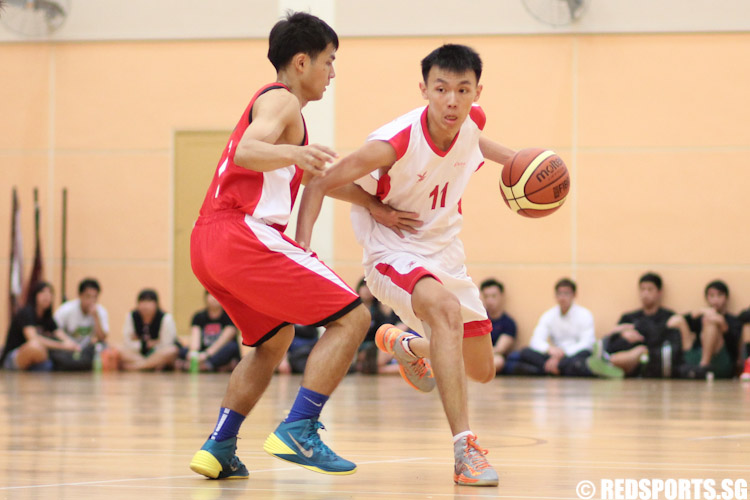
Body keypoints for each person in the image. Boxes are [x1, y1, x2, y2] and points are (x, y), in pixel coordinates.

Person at [187, 12, 410, 480]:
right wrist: (295, 153)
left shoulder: (287, 116)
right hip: (239, 232)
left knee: (275, 339)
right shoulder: (281, 101)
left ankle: (219, 445)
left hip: (208, 242)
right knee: (354, 316)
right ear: (302, 61)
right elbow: (249, 150)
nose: (334, 72)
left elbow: (321, 178)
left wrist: (375, 206)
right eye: (330, 61)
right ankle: (299, 428)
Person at [295, 43, 523, 486]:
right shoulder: (393, 143)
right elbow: (320, 178)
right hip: (391, 250)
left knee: (481, 369)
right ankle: (465, 452)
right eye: (441, 89)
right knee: (445, 312)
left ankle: (406, 345)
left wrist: (521, 162)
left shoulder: (471, 122)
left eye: (463, 89)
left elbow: (476, 142)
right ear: (424, 89)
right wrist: (365, 211)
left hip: (445, 253)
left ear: (478, 92)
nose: (452, 100)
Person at [520, 278, 623, 379]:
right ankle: (560, 369)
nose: (562, 297)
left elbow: (587, 343)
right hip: (554, 356)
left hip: (573, 354)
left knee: (581, 357)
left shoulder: (585, 314)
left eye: (566, 293)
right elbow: (535, 340)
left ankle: (552, 369)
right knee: (525, 352)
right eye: (559, 294)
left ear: (574, 295)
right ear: (555, 295)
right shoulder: (548, 315)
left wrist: (563, 353)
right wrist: (550, 350)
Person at [602, 272, 682, 377]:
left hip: (654, 361)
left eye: (650, 289)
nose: (645, 294)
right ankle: (611, 364)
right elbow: (613, 344)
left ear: (659, 292)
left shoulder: (668, 317)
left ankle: (608, 364)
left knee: (640, 352)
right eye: (642, 289)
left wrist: (643, 347)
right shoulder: (629, 317)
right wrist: (623, 335)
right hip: (628, 357)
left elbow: (673, 347)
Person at [670, 280, 742, 379]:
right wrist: (698, 312)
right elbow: (672, 322)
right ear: (707, 298)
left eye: (719, 295)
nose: (715, 300)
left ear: (726, 297)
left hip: (721, 362)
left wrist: (722, 324)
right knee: (682, 322)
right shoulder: (701, 316)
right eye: (712, 296)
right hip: (697, 359)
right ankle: (698, 366)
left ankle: (704, 366)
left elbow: (734, 348)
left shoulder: (733, 320)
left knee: (711, 323)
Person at [1, 281, 79, 371]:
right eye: (43, 292)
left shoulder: (47, 317)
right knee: (35, 346)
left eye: (50, 293)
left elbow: (61, 335)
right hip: (13, 357)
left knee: (45, 353)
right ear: (35, 295)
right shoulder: (26, 313)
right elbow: (33, 339)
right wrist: (62, 346)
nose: (47, 296)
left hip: (39, 357)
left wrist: (73, 345)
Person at [50, 278, 109, 371]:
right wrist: (68, 343)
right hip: (67, 349)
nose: (91, 301)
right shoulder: (66, 310)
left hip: (86, 351)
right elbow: (54, 330)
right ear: (80, 295)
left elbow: (102, 338)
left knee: (105, 348)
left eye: (95, 297)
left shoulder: (100, 311)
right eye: (88, 296)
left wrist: (96, 318)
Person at [176, 291, 241, 372]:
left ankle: (208, 365)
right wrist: (193, 353)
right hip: (203, 351)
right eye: (211, 295)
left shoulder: (229, 316)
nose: (214, 299)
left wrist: (206, 355)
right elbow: (195, 338)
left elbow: (224, 340)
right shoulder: (198, 316)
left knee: (232, 347)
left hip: (218, 351)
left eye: (216, 296)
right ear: (206, 297)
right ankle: (207, 365)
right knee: (181, 349)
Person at [119, 289, 179, 371]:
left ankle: (137, 367)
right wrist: (145, 345)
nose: (145, 305)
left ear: (156, 304)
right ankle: (150, 365)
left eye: (149, 301)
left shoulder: (165, 318)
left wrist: (146, 344)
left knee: (172, 350)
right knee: (117, 349)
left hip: (158, 353)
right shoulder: (131, 316)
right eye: (142, 301)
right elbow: (127, 341)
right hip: (137, 354)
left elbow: (166, 343)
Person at [479, 278, 517, 374]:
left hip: (492, 357)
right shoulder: (478, 319)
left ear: (501, 296)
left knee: (498, 361)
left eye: (493, 296)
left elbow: (500, 349)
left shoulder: (508, 323)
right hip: (475, 355)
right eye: (486, 296)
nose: (490, 300)